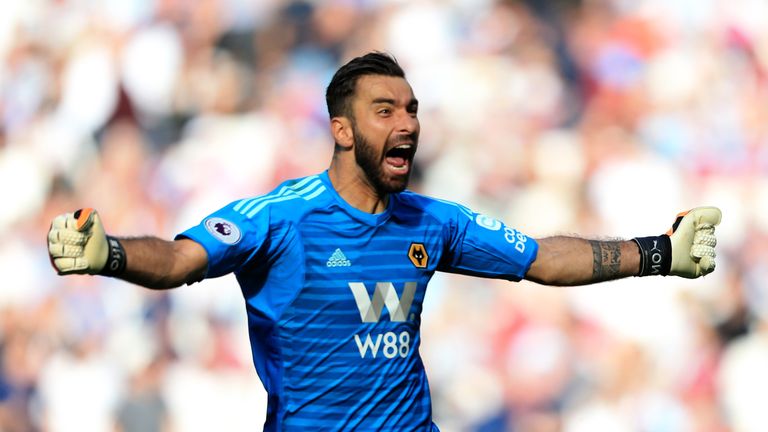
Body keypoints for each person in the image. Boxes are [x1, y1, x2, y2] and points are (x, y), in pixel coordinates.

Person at [47, 52, 721, 431]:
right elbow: (179, 258)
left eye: (412, 110)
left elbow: (540, 258)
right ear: (341, 131)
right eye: (385, 111)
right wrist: (108, 253)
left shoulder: (432, 222)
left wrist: (658, 252)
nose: (407, 124)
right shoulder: (281, 219)